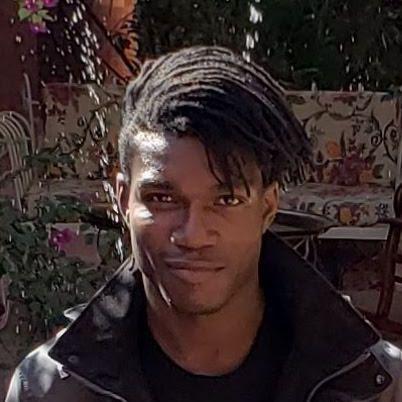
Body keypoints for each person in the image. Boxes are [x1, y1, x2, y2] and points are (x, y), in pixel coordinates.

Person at [5, 46, 402, 402]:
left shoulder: (377, 386)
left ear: (267, 208)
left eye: (226, 200)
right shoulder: (51, 391)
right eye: (162, 199)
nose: (192, 235)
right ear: (123, 200)